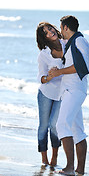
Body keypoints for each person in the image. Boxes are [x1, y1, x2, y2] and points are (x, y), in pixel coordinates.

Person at [49, 15, 89, 176]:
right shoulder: (73, 42)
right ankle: (79, 170)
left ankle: (69, 168)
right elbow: (60, 53)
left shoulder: (80, 41)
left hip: (75, 90)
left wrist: (59, 72)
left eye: (61, 28)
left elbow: (82, 67)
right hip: (70, 91)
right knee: (78, 131)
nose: (60, 31)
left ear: (66, 28)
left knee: (62, 125)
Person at [36, 22, 65, 166]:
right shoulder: (44, 54)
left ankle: (55, 156)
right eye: (45, 32)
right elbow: (41, 78)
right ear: (44, 38)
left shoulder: (67, 45)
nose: (50, 32)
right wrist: (49, 77)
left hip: (62, 94)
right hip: (46, 93)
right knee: (44, 126)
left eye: (50, 28)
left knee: (54, 125)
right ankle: (44, 157)